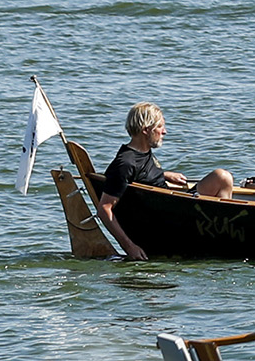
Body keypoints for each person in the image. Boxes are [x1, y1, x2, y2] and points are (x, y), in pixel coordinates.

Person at [98, 101, 236, 258]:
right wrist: (130, 247)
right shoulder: (126, 163)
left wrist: (164, 174)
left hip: (173, 205)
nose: (165, 132)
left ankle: (224, 234)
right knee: (222, 176)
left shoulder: (141, 153)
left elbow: (139, 175)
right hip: (169, 219)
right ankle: (226, 240)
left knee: (222, 177)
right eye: (160, 127)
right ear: (145, 130)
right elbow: (104, 209)